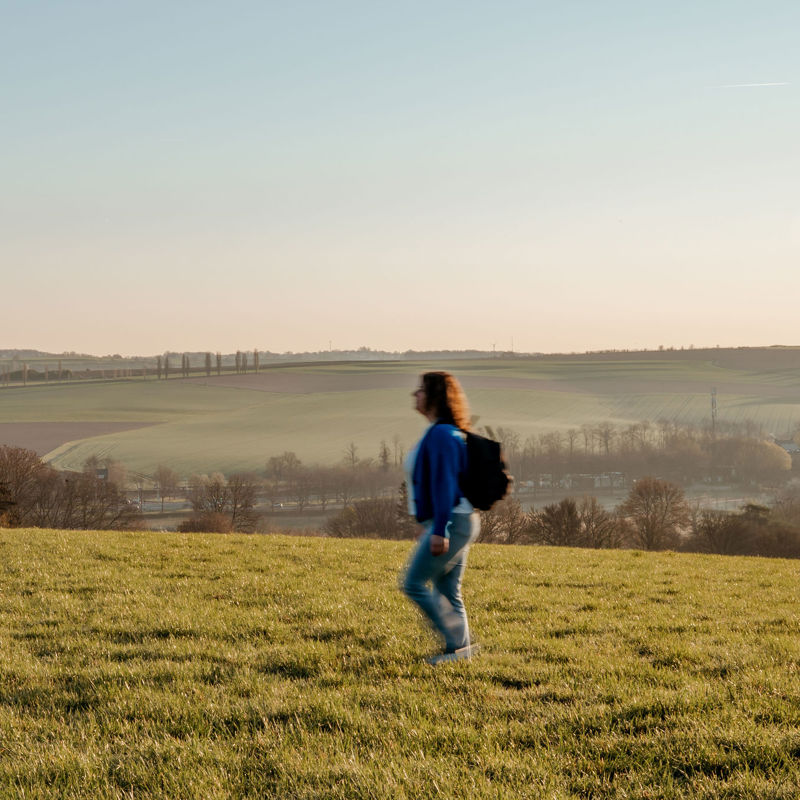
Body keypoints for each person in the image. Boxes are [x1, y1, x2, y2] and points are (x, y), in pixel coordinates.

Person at [401, 371, 481, 664]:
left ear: (434, 396)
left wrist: (440, 529)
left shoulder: (442, 434)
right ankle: (459, 652)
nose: (415, 395)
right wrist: (431, 526)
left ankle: (457, 646)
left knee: (412, 584)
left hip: (453, 521)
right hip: (454, 520)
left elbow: (446, 485)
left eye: (421, 390)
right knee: (448, 590)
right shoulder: (442, 431)